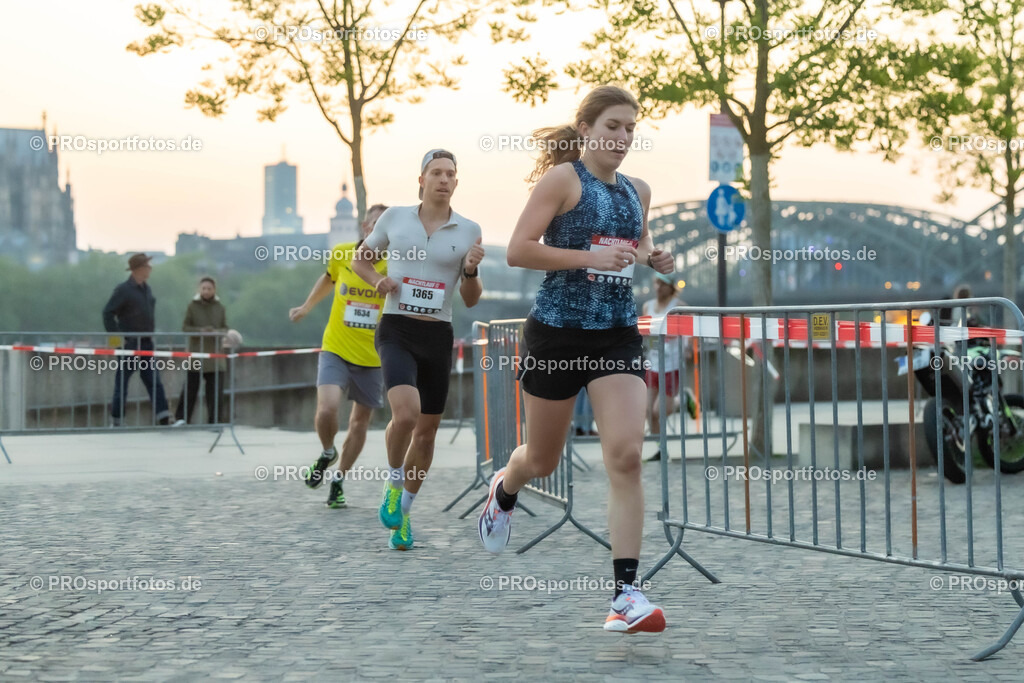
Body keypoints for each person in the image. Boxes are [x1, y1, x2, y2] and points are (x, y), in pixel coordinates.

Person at [477, 85, 672, 633]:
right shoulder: (563, 179)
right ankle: (505, 488)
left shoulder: (639, 188)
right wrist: (589, 256)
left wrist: (655, 255)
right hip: (558, 336)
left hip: (615, 335)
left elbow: (634, 244)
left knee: (627, 456)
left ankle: (625, 596)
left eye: (631, 128)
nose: (623, 137)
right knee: (541, 460)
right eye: (613, 126)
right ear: (586, 129)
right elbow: (518, 250)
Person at [352, 149, 484, 550]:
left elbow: (472, 299)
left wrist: (472, 270)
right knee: (405, 415)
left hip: (437, 335)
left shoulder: (468, 230)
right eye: (436, 173)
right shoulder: (395, 217)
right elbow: (361, 260)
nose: (443, 179)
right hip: (396, 329)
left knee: (426, 435)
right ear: (421, 180)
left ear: (456, 183)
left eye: (450, 174)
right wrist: (378, 280)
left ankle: (404, 513)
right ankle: (394, 484)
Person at [289, 204, 389, 509]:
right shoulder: (343, 253)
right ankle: (328, 450)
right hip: (336, 346)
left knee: (359, 423)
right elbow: (328, 278)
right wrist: (306, 306)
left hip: (373, 356)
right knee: (327, 409)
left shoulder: (396, 264)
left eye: (384, 228)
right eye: (373, 226)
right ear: (364, 227)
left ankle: (338, 481)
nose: (377, 232)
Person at [103, 253, 171, 426]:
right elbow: (108, 313)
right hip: (130, 344)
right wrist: (118, 339)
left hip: (146, 343)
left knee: (154, 382)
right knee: (122, 384)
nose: (150, 269)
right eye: (147, 266)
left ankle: (163, 418)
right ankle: (117, 421)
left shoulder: (146, 289)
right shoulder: (124, 290)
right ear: (139, 269)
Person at [643, 273, 697, 462]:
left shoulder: (679, 307)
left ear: (671, 287)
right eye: (656, 283)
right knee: (649, 411)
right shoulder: (647, 306)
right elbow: (646, 332)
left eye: (663, 284)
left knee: (660, 411)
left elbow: (691, 328)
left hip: (672, 364)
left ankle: (683, 399)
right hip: (653, 363)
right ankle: (661, 449)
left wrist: (689, 346)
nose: (658, 287)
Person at [173, 277, 228, 426]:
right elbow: (185, 327)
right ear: (199, 289)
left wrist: (216, 332)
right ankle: (182, 418)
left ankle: (215, 421)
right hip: (196, 354)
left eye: (209, 289)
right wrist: (200, 331)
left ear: (214, 290)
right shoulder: (192, 306)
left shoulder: (219, 307)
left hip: (215, 356)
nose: (206, 291)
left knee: (215, 392)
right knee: (190, 389)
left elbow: (225, 328)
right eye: (204, 288)